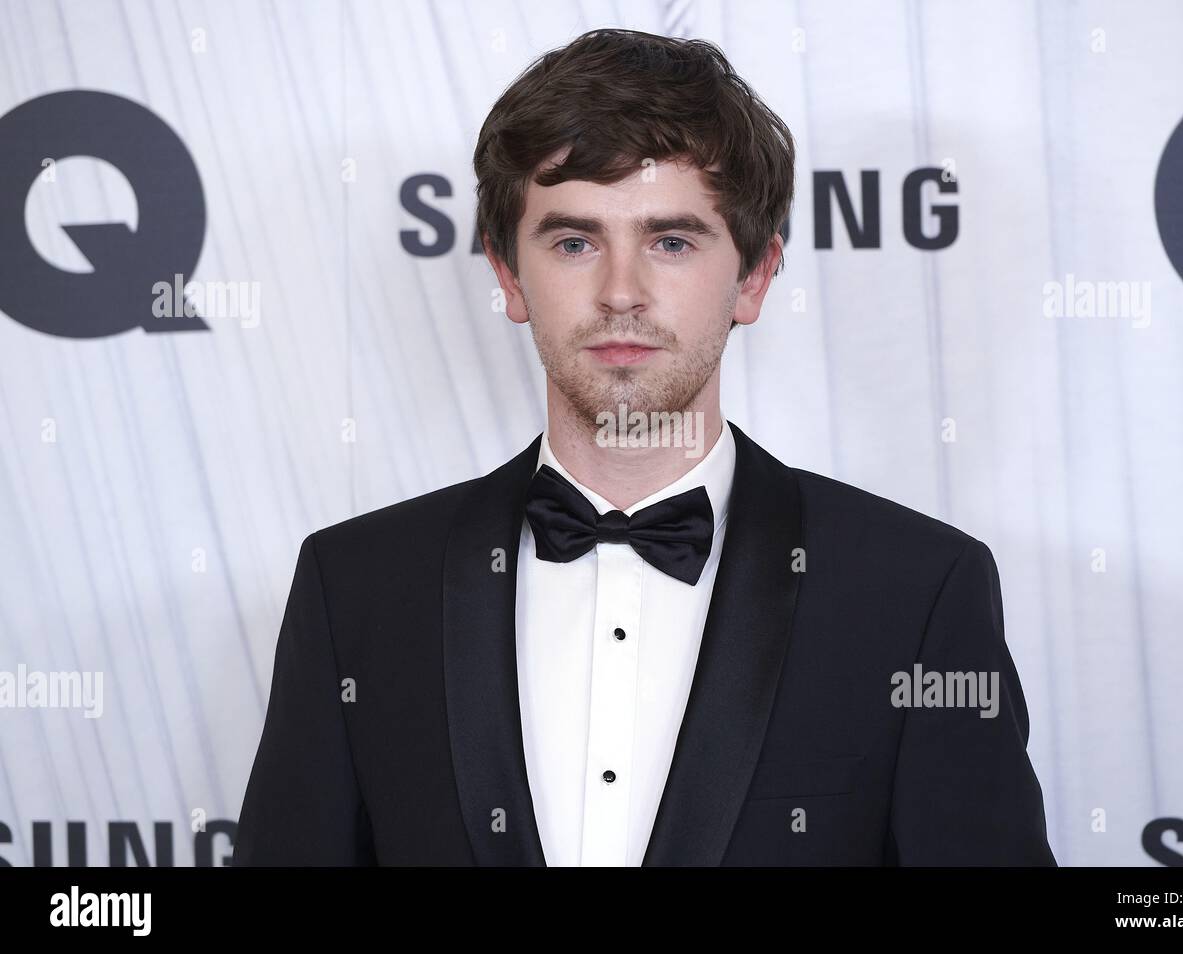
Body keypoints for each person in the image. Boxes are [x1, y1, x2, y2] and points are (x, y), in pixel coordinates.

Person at [233, 27, 1055, 866]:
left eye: (671, 241)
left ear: (755, 276)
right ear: (509, 277)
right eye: (574, 242)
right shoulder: (357, 587)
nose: (621, 291)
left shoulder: (916, 592)